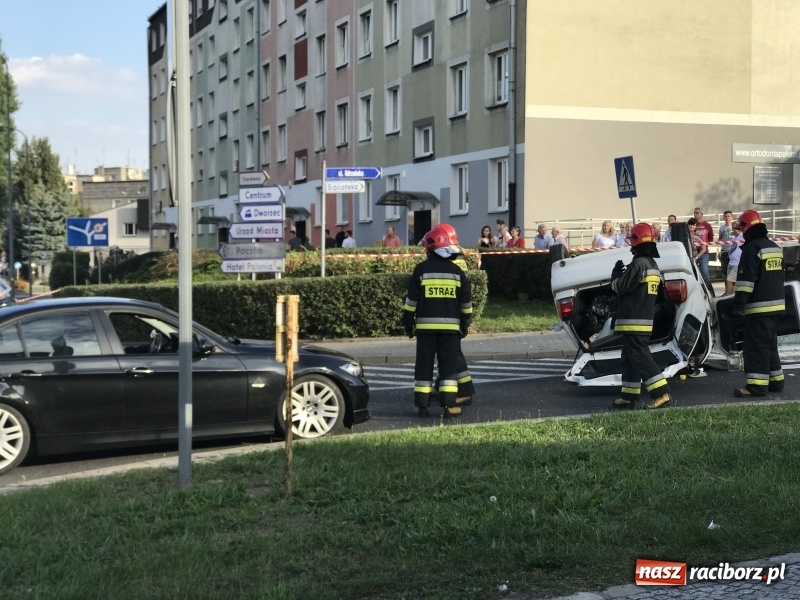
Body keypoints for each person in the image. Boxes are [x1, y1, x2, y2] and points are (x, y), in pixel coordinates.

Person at [402, 226, 473, 418]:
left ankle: (422, 406)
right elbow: (466, 305)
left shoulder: (421, 270)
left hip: (425, 330)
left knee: (423, 365)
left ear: (431, 250)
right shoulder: (458, 273)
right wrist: (465, 325)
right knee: (448, 367)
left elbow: (411, 302)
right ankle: (449, 406)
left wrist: (408, 323)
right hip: (450, 331)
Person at [610, 222, 672, 410]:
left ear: (636, 242)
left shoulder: (638, 264)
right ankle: (628, 396)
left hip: (633, 320)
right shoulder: (652, 264)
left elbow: (621, 288)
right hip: (642, 320)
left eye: (631, 241)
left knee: (641, 357)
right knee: (629, 358)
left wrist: (615, 277)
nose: (630, 246)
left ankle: (661, 394)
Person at [731, 209, 785, 398]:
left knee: (755, 346)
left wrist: (738, 303)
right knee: (770, 345)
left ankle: (756, 386)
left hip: (760, 307)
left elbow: (747, 281)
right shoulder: (773, 247)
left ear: (746, 227)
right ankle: (776, 381)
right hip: (777, 306)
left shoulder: (751, 248)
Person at [432, 223, 475, 406]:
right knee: (447, 353)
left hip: (449, 316)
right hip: (453, 316)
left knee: (453, 355)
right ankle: (440, 385)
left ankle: (465, 391)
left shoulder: (453, 263)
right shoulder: (458, 259)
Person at [687, 218, 710, 289]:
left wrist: (696, 257)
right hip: (685, 259)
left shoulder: (698, 237)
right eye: (690, 224)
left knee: (700, 276)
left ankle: (708, 290)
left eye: (693, 225)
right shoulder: (684, 236)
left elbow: (704, 249)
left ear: (696, 227)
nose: (691, 226)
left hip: (693, 260)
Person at [692, 207, 714, 286]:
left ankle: (709, 291)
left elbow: (711, 237)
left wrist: (705, 245)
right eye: (694, 213)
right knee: (694, 273)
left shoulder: (707, 225)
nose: (695, 214)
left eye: (697, 213)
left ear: (701, 214)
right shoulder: (693, 225)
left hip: (704, 253)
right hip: (694, 253)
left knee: (705, 273)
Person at [724, 226, 744, 296]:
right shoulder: (733, 238)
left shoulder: (743, 237)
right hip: (731, 262)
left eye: (738, 228)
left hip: (737, 263)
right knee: (733, 282)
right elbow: (731, 249)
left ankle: (728, 296)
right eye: (734, 228)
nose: (736, 230)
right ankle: (732, 296)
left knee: (729, 280)